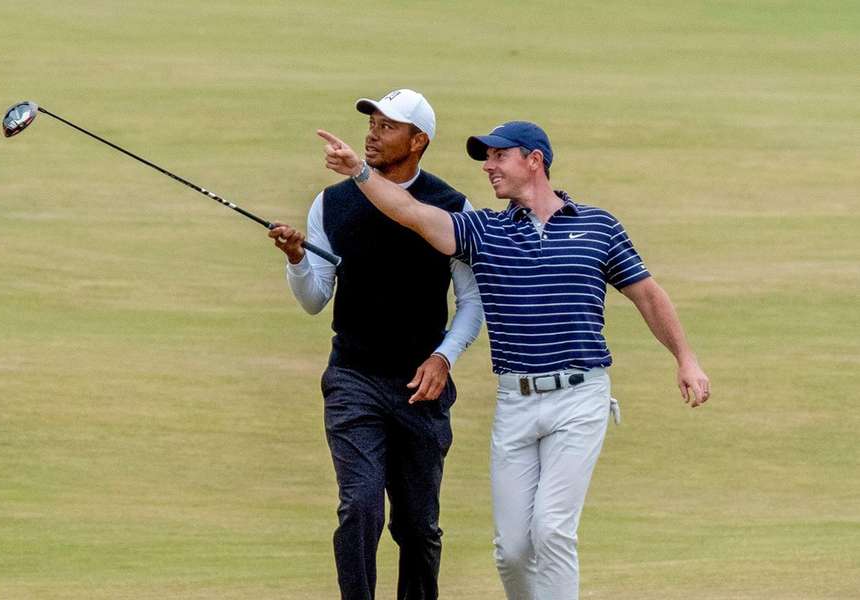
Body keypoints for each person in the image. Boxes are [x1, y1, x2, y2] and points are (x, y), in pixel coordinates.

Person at [316, 120, 711, 600]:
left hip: (580, 398)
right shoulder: (485, 230)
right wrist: (360, 171)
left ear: (534, 160)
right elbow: (413, 214)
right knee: (513, 550)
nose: (488, 167)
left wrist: (685, 359)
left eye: (499, 156)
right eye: (486, 158)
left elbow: (647, 295)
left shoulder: (598, 226)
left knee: (550, 530)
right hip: (516, 403)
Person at [268, 89, 483, 600]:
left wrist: (442, 358)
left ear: (418, 141)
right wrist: (298, 258)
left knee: (417, 526)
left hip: (420, 387)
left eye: (388, 127)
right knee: (359, 506)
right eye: (372, 123)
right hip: (353, 377)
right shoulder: (332, 202)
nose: (372, 133)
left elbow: (471, 303)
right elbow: (315, 299)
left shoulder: (453, 207)